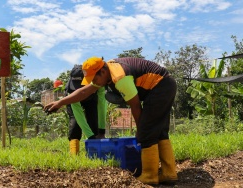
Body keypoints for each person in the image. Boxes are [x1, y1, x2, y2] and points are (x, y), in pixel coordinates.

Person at [44, 56, 178, 185]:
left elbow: (136, 106)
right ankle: (169, 174)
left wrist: (140, 132)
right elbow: (84, 92)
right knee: (159, 131)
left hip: (160, 86)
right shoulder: (107, 71)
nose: (94, 82)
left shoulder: (120, 78)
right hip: (163, 86)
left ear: (102, 71)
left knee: (147, 132)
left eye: (94, 78)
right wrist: (60, 102)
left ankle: (149, 176)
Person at [64, 64, 106, 155]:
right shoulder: (71, 91)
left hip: (91, 98)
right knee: (75, 123)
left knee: (93, 120)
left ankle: (94, 153)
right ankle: (74, 154)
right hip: (75, 103)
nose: (77, 90)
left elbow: (102, 105)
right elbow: (78, 114)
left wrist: (101, 130)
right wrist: (90, 136)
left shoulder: (97, 83)